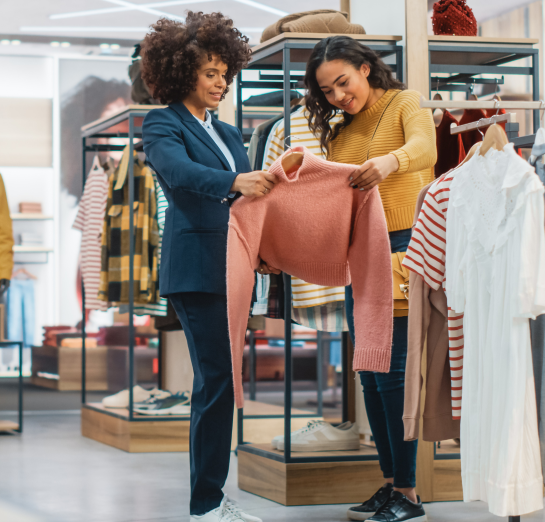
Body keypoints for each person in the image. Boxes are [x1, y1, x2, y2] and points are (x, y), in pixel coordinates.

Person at [138, 11, 275, 522]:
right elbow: (176, 172)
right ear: (181, 72)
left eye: (225, 73)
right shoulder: (163, 122)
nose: (220, 83)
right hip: (197, 267)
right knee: (217, 380)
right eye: (209, 72)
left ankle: (213, 500)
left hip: (236, 265)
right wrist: (236, 183)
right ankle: (206, 505)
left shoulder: (231, 134)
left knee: (224, 380)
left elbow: (249, 202)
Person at [300, 35, 436, 522]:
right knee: (372, 373)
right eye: (328, 91)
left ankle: (409, 492)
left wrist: (388, 162)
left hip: (403, 249)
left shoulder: (405, 103)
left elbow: (425, 148)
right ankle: (389, 483)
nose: (338, 95)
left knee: (395, 373)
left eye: (343, 81)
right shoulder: (341, 131)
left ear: (364, 68)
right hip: (363, 253)